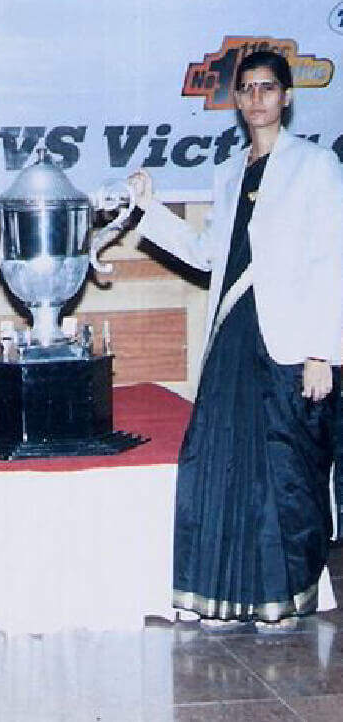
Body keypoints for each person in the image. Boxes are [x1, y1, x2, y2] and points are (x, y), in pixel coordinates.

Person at [128, 50, 343, 632]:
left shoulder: (316, 166)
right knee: (219, 464)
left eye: (267, 88)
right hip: (231, 337)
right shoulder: (227, 173)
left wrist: (322, 352)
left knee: (285, 472)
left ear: (287, 97)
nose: (256, 99)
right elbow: (206, 254)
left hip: (291, 342)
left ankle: (285, 598)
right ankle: (221, 597)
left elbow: (332, 261)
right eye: (246, 89)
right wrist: (150, 208)